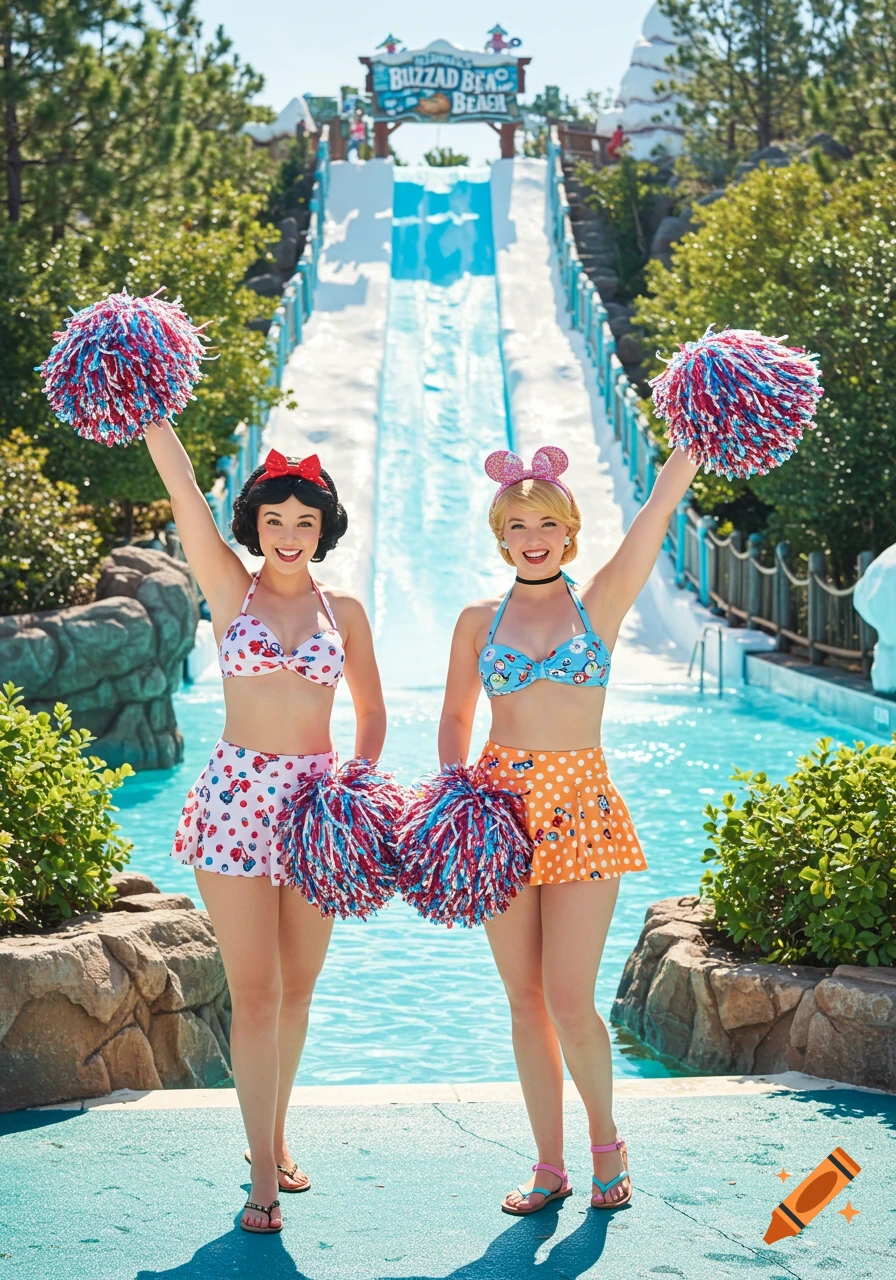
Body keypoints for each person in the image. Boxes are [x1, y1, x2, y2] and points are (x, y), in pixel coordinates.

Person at [438, 443, 699, 1215]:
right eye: (517, 524)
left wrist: (690, 442)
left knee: (568, 997)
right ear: (501, 534)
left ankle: (607, 1147)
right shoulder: (478, 619)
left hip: (582, 810)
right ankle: (549, 1166)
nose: (533, 536)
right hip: (498, 816)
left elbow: (655, 516)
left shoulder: (600, 603)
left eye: (546, 522)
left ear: (569, 529)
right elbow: (455, 717)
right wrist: (459, 801)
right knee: (523, 998)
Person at [145, 428, 386, 1234]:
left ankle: (276, 1136)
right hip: (237, 803)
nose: (289, 535)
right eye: (276, 520)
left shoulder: (342, 610)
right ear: (256, 525)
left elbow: (374, 714)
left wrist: (354, 788)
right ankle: (262, 1175)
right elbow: (183, 490)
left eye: (305, 523)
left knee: (299, 989)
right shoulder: (229, 589)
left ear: (324, 531)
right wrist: (153, 410)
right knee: (254, 994)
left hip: (318, 807)